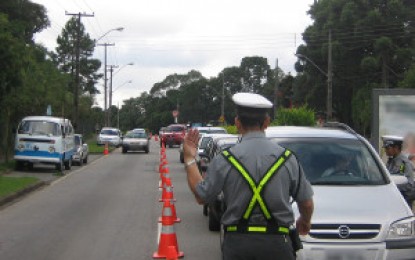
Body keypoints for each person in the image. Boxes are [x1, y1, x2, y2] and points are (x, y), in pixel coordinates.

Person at [183, 92, 314, 259]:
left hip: (238, 246)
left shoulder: (225, 158)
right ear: (266, 123)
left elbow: (202, 196)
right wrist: (305, 221)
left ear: (237, 123)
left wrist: (189, 159)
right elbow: (307, 204)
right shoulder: (288, 159)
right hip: (278, 245)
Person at [383, 135, 415, 208]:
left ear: (396, 148)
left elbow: (409, 183)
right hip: (393, 197)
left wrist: (393, 187)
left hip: (403, 199)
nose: (386, 151)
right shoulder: (391, 161)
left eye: (388, 148)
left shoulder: (404, 163)